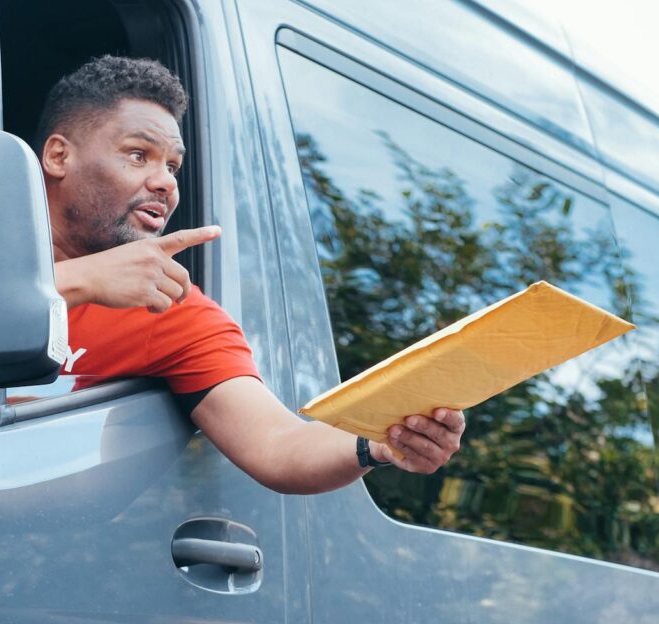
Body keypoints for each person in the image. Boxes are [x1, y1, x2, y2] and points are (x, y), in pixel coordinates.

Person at [38, 55, 466, 495]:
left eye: (172, 166)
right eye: (138, 155)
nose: (165, 182)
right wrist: (77, 281)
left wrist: (379, 438)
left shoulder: (170, 308)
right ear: (58, 156)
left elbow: (280, 446)